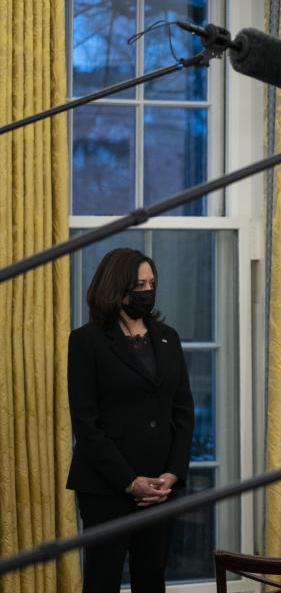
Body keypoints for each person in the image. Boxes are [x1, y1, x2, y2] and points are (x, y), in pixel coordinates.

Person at [67, 248, 195, 592]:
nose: (148, 290)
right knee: (102, 580)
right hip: (107, 487)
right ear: (115, 287)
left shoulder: (168, 337)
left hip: (160, 487)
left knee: (152, 580)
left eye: (152, 283)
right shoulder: (86, 341)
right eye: (139, 284)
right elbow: (85, 424)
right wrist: (129, 481)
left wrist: (172, 474)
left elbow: (183, 412)